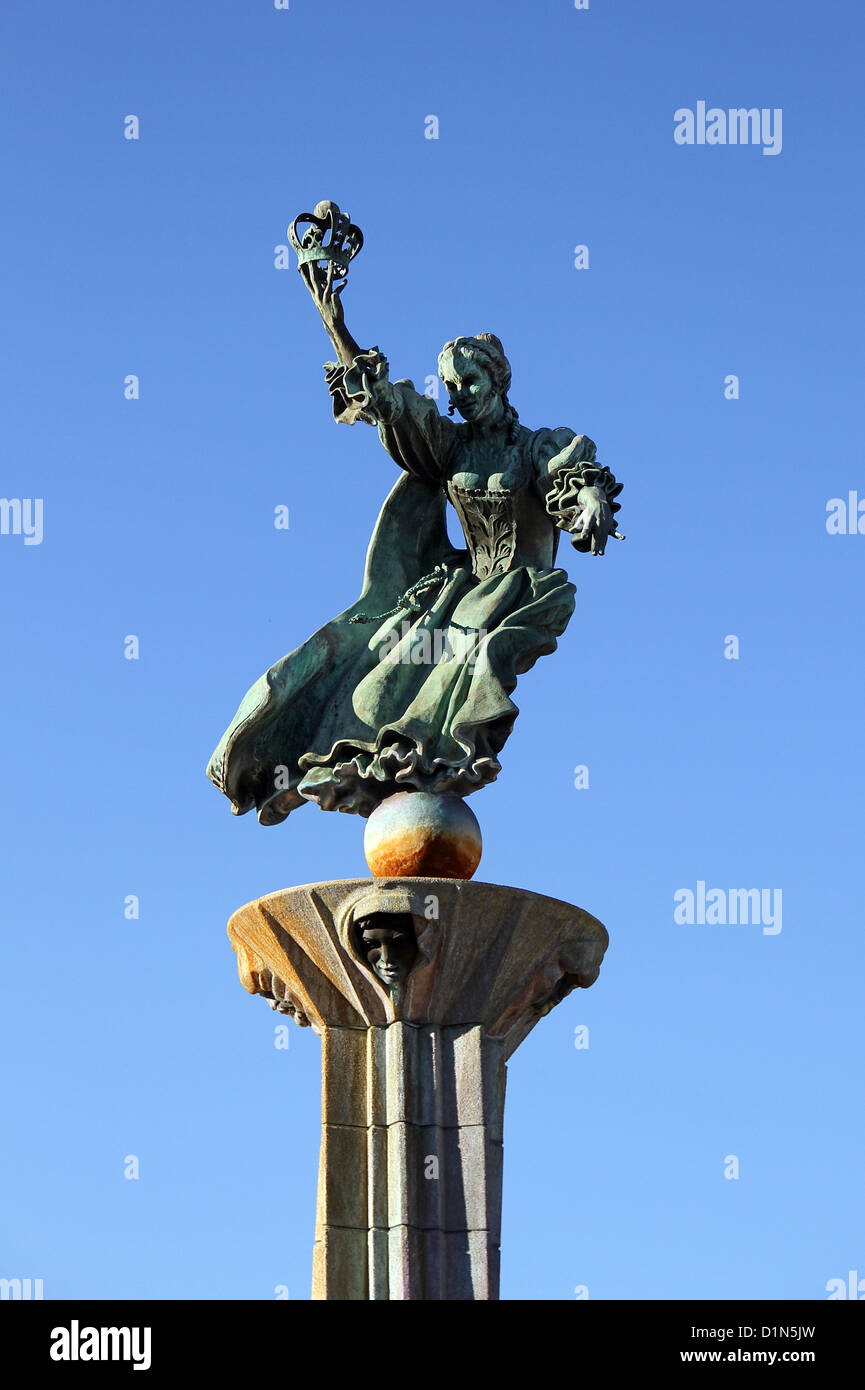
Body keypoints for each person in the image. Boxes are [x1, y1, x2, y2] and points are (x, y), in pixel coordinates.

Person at [207, 254, 623, 825]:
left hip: (516, 593)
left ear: (499, 379)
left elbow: (569, 476)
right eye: (451, 388)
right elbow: (392, 408)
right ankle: (316, 770)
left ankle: (434, 760)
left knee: (468, 660)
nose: (460, 396)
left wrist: (590, 500)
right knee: (373, 679)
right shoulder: (452, 446)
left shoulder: (533, 445)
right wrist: (336, 323)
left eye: (470, 382)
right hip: (456, 589)